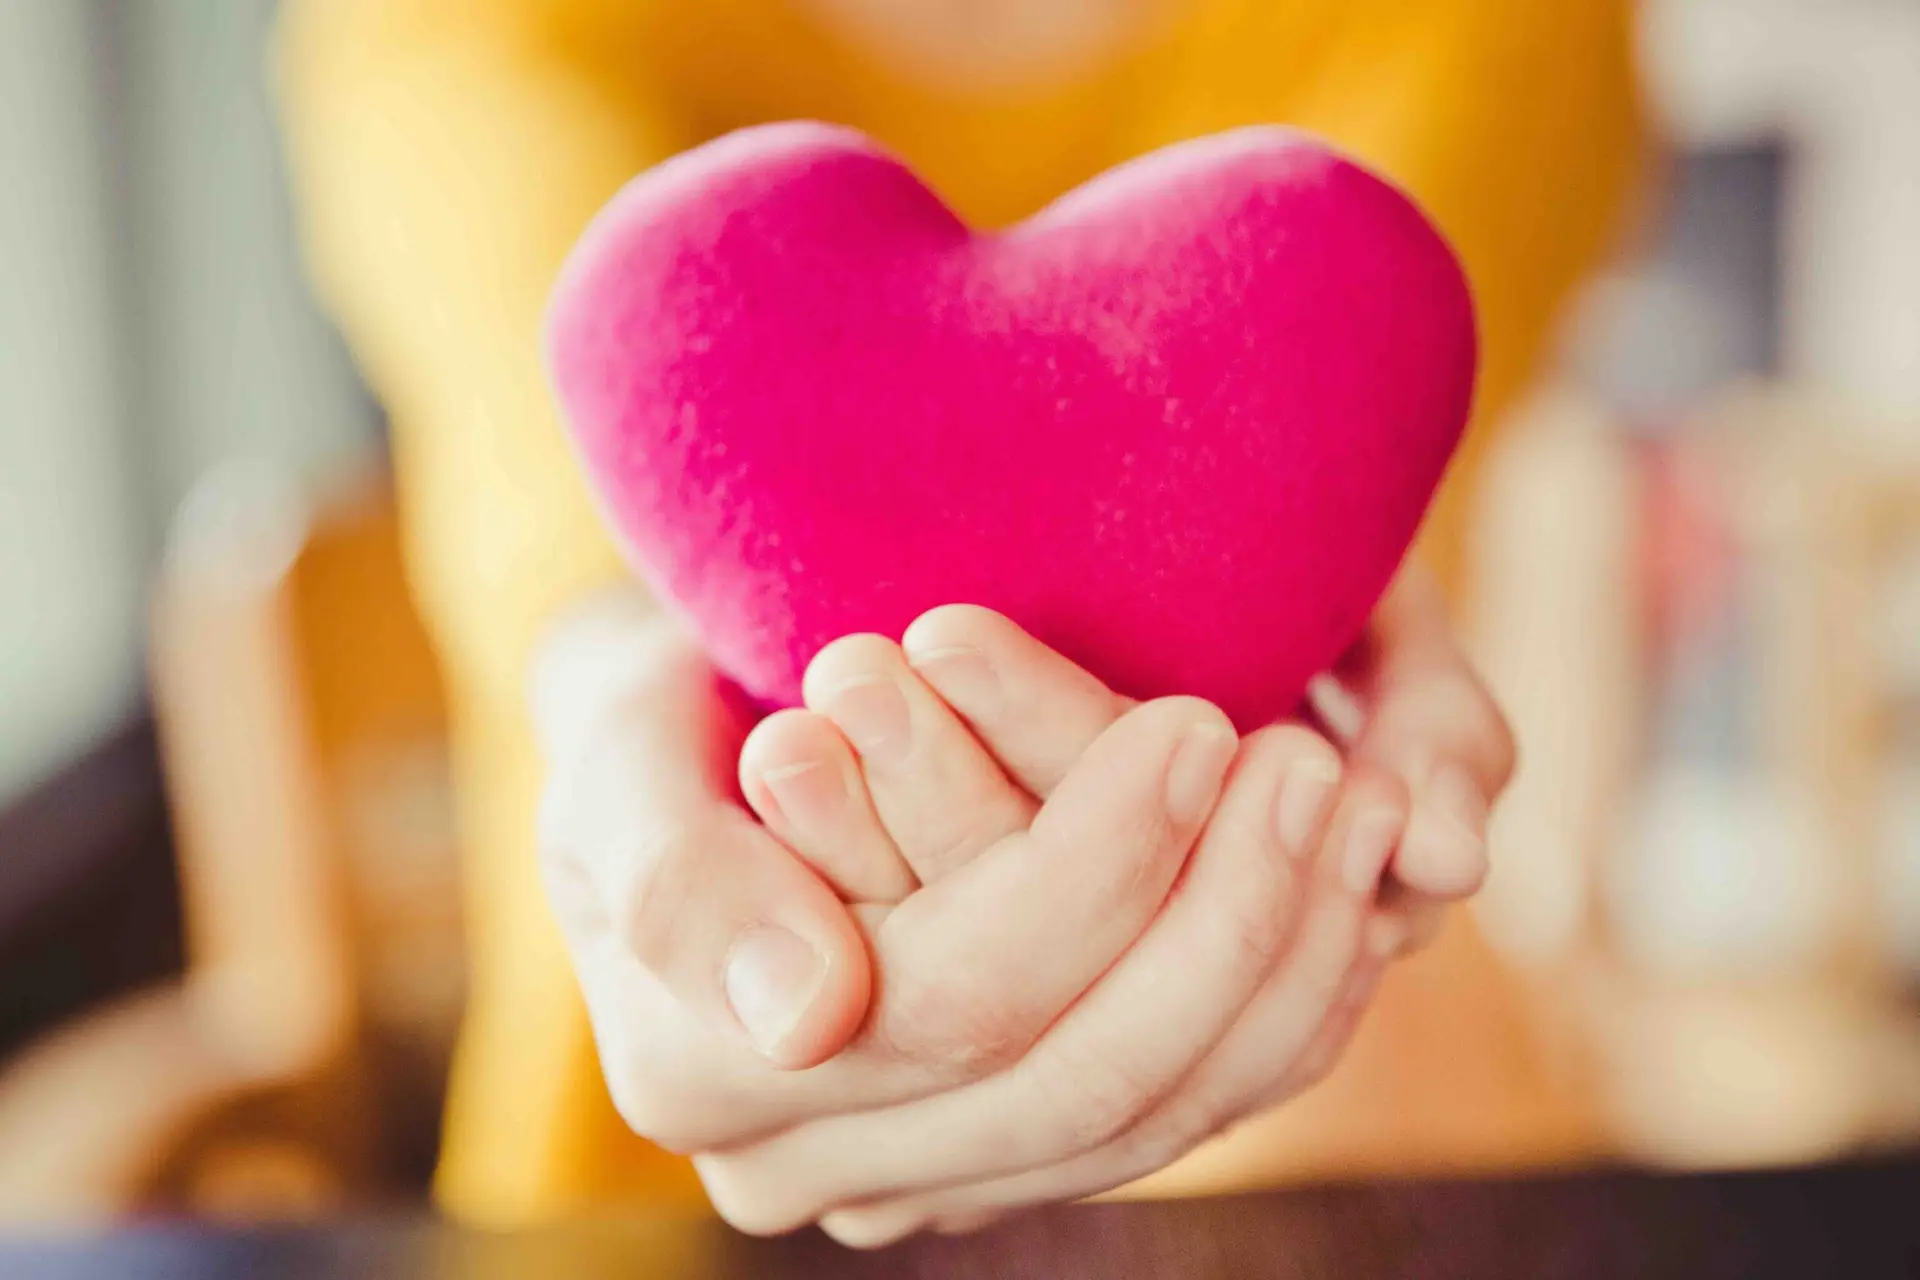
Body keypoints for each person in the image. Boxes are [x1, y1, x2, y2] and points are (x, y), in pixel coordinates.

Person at [274, 0, 1645, 1238]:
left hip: (1341, 1129)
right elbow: (583, 491)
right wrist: (625, 729)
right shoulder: (456, 28)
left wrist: (1339, 600)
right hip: (661, 1153)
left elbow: (1356, 385)